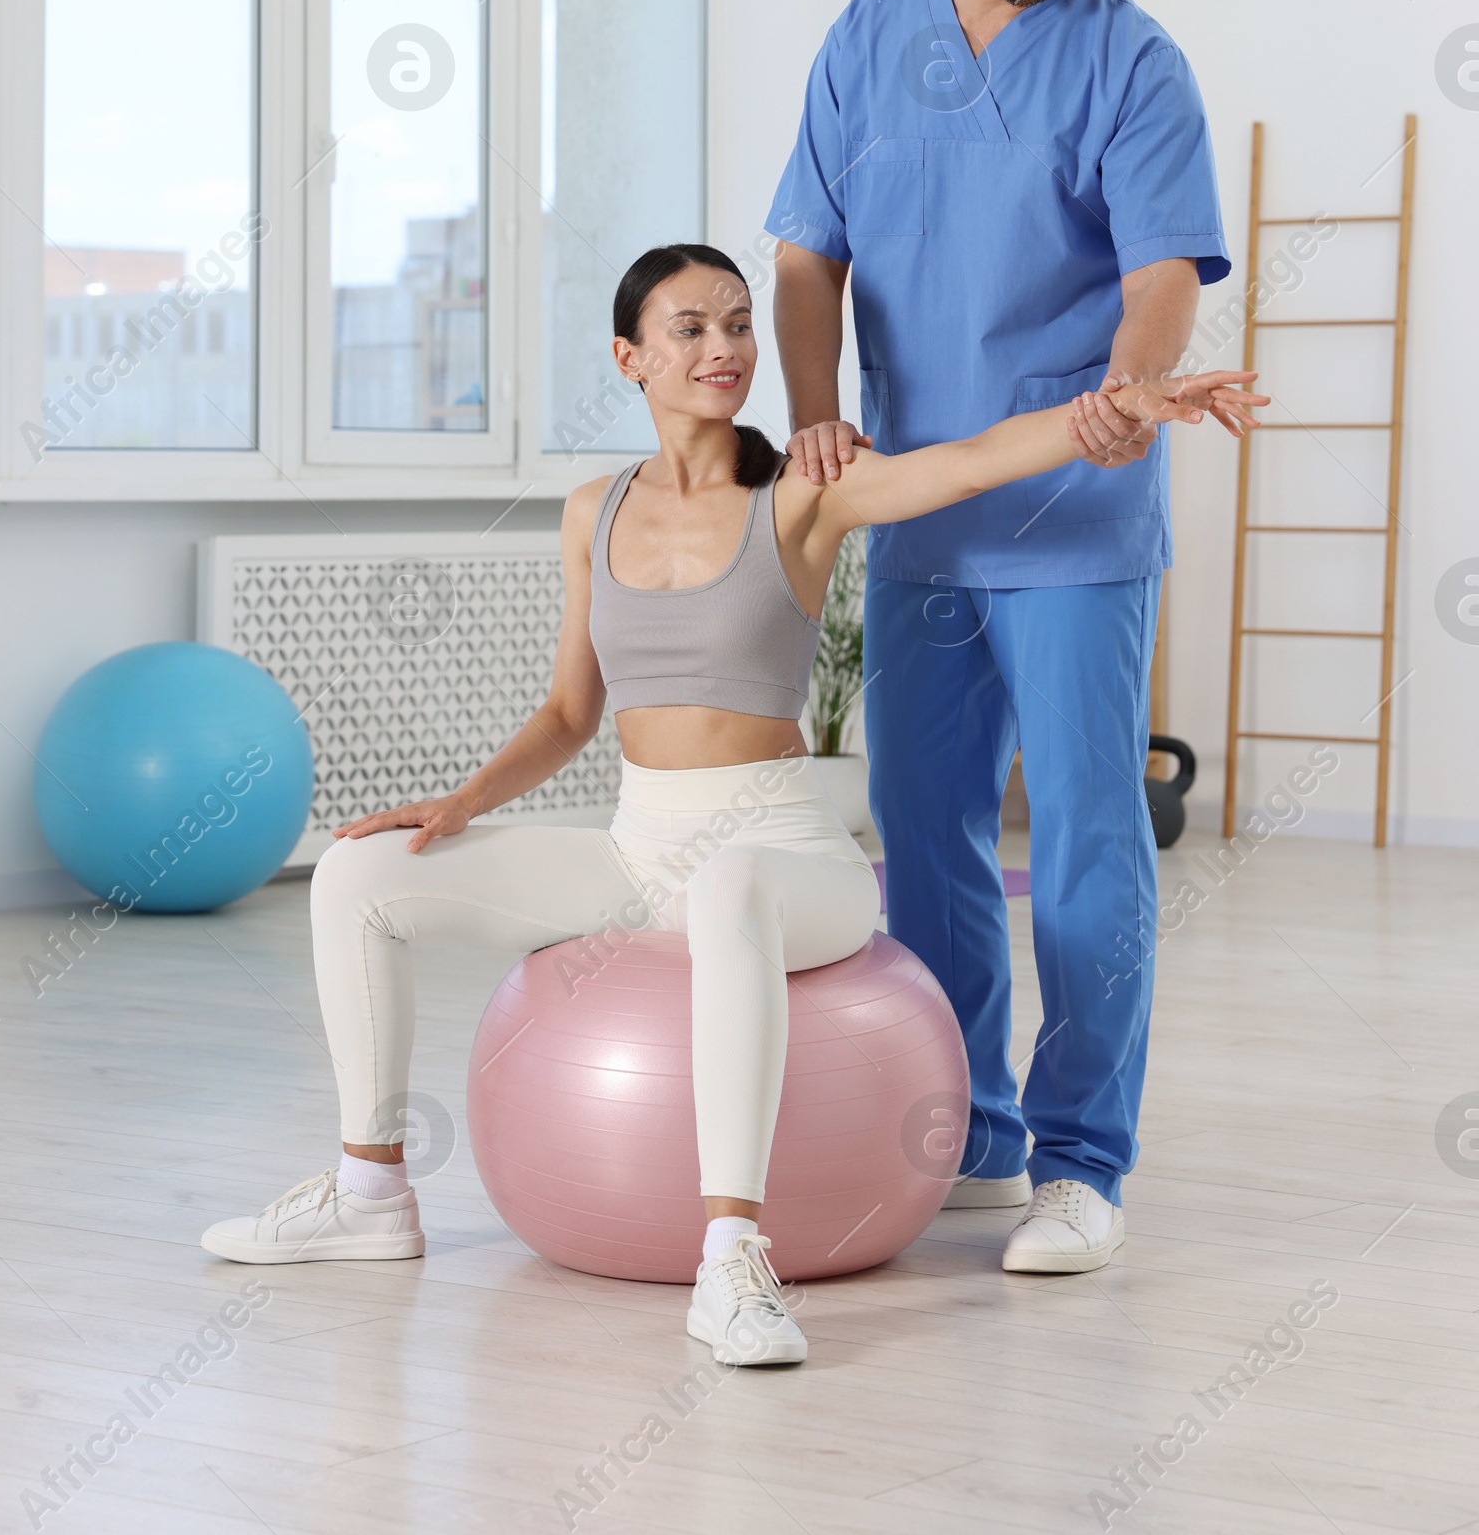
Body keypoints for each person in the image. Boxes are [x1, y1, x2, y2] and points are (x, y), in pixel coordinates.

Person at [203, 242, 1261, 1360]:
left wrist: (1122, 399)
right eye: (690, 328)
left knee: (728, 883)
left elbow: (970, 461)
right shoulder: (589, 509)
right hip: (634, 845)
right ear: (630, 356)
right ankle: (368, 1193)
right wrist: (456, 804)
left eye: (739, 323)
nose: (724, 347)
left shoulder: (802, 487)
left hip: (780, 853)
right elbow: (571, 711)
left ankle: (731, 1260)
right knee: (359, 875)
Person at [770, 0, 1233, 1275]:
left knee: (1094, 836)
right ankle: (969, 1126)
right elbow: (804, 258)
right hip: (918, 511)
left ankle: (1085, 1159)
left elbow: (1162, 272)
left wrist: (1127, 386)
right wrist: (822, 406)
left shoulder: (1132, 59)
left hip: (1078, 514)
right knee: (926, 832)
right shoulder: (866, 37)